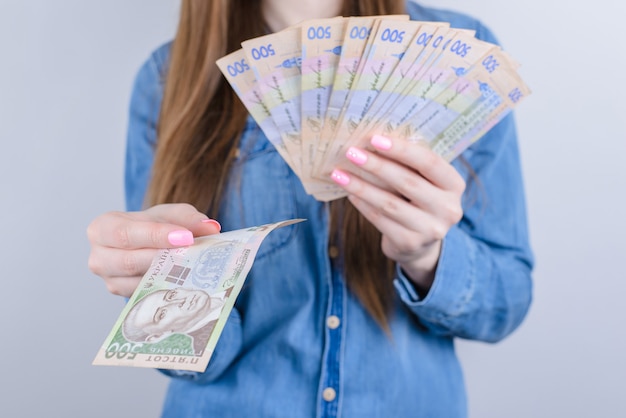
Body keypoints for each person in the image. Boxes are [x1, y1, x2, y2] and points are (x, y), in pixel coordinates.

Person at [87, 0, 534, 416]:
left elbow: (506, 304)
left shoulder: (458, 52)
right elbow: (195, 358)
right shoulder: (168, 78)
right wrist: (158, 299)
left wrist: (427, 258)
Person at [122, 288, 225, 347]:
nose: (180, 301)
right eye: (162, 314)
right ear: (157, 336)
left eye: (171, 296)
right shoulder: (202, 346)